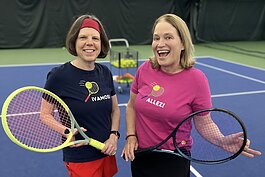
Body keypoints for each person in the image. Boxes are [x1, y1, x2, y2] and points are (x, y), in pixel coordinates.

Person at [121, 14, 261, 177]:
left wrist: (221, 140)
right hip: (141, 155)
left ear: (182, 43)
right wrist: (131, 136)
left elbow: (204, 122)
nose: (160, 44)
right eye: (156, 38)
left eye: (168, 37)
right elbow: (131, 106)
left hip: (174, 159)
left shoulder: (197, 79)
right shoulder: (145, 69)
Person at [42, 14, 120, 177]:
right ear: (74, 41)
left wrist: (113, 137)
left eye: (95, 38)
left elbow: (115, 110)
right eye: (83, 37)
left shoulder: (105, 72)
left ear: (101, 43)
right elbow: (45, 114)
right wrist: (66, 132)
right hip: (81, 158)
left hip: (106, 151)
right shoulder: (58, 76)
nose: (90, 42)